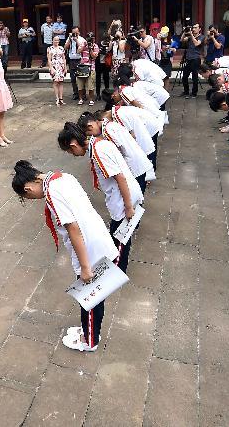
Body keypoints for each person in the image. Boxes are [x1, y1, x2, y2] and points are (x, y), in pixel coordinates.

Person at [11, 160, 119, 352]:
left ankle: (90, 340)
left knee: (91, 295)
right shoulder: (62, 177)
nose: (34, 199)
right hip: (95, 235)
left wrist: (85, 267)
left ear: (28, 189)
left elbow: (72, 228)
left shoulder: (52, 193)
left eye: (28, 197)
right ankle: (88, 331)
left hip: (88, 247)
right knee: (92, 294)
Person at [58, 122, 142, 274]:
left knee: (120, 240)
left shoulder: (98, 152)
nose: (73, 155)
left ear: (73, 145)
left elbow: (120, 178)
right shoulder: (99, 143)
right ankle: (117, 268)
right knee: (119, 236)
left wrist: (128, 207)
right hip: (126, 194)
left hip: (122, 200)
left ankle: (117, 272)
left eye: (70, 152)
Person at [78, 111, 153, 192]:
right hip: (138, 160)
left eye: (89, 133)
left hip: (134, 164)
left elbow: (116, 151)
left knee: (135, 193)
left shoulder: (107, 131)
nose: (92, 136)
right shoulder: (109, 124)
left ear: (90, 126)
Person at [180, 24, 204, 98]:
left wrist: (191, 35)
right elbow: (181, 40)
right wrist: (185, 32)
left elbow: (197, 43)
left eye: (195, 28)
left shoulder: (201, 37)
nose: (194, 29)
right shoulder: (190, 36)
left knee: (194, 77)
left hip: (196, 59)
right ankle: (186, 92)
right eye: (193, 28)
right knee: (184, 77)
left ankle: (194, 93)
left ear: (199, 29)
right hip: (188, 59)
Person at [75, 33, 99, 106]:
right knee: (80, 85)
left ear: (94, 39)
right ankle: (81, 99)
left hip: (91, 67)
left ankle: (91, 99)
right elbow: (78, 51)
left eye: (92, 38)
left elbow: (94, 56)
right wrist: (84, 45)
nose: (90, 39)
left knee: (91, 85)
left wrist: (90, 48)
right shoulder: (83, 44)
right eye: (89, 37)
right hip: (82, 67)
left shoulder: (95, 46)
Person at [64, 26, 86, 101]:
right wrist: (70, 40)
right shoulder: (69, 38)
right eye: (73, 33)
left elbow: (82, 47)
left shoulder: (81, 39)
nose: (74, 34)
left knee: (81, 78)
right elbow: (65, 47)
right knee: (73, 78)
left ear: (79, 32)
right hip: (72, 60)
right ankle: (75, 93)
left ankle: (83, 94)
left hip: (80, 60)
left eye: (76, 33)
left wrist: (76, 40)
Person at [47, 35, 68, 106]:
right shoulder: (49, 48)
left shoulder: (61, 48)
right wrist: (51, 68)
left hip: (61, 66)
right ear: (52, 40)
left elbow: (64, 58)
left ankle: (61, 98)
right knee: (55, 82)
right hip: (54, 66)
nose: (56, 41)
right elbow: (49, 60)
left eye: (57, 40)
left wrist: (65, 68)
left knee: (61, 82)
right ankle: (57, 99)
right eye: (55, 40)